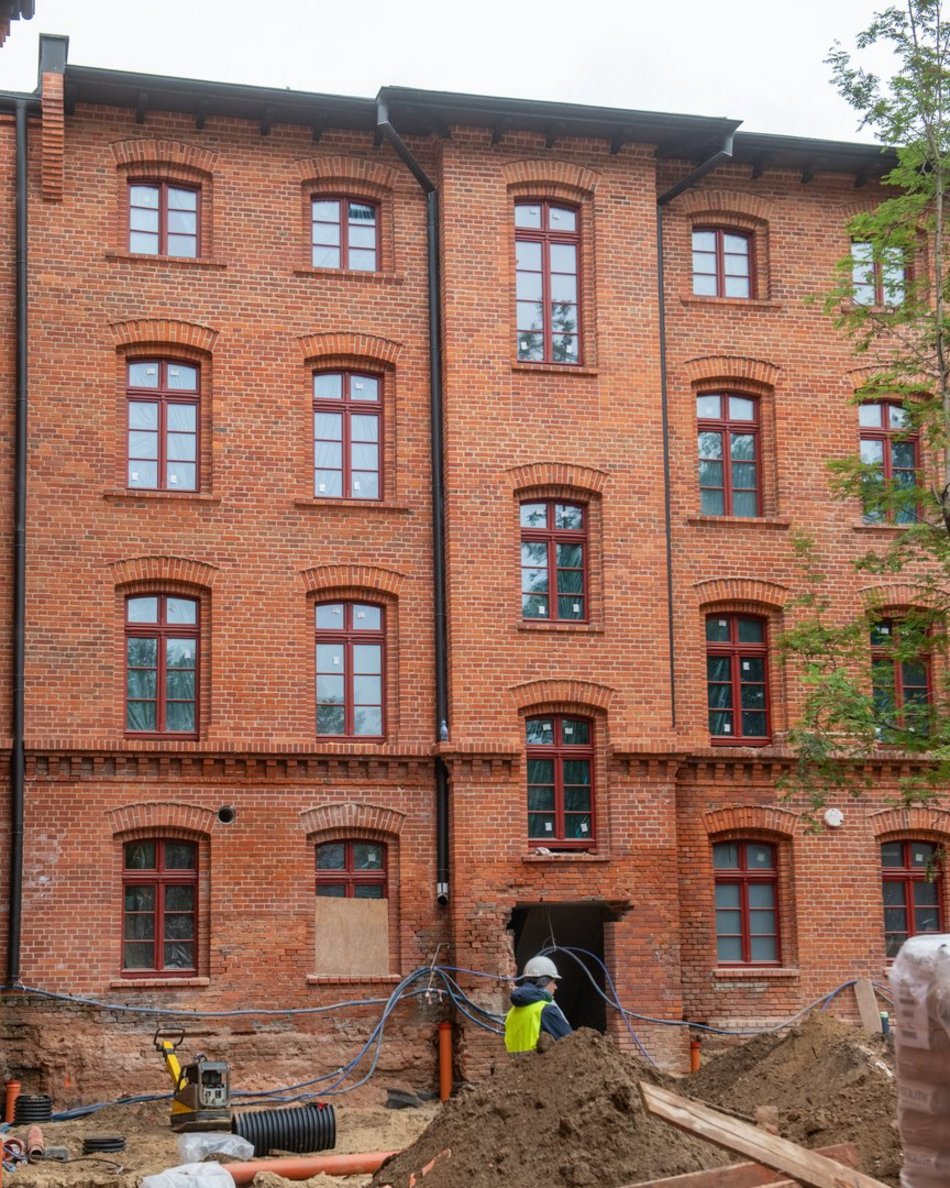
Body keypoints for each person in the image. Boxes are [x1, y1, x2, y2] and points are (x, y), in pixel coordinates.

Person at [504, 954, 573, 1053]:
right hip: (539, 1063)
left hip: (515, 1063)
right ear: (543, 982)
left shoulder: (511, 1013)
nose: (555, 987)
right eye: (553, 982)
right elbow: (573, 1044)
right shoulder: (546, 1010)